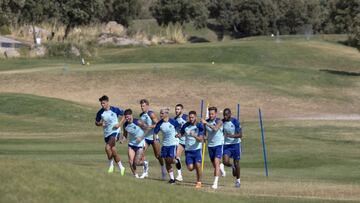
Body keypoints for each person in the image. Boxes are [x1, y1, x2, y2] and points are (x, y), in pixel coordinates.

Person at [95, 95, 125, 175]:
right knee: (113, 151)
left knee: (107, 148)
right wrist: (101, 123)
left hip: (115, 132)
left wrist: (119, 124)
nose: (102, 105)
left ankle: (111, 166)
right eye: (101, 104)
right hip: (107, 134)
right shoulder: (100, 112)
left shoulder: (115, 109)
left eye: (104, 103)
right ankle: (121, 167)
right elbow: (96, 122)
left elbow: (125, 115)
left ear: (108, 102)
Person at [139, 99, 166, 179]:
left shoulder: (151, 113)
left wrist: (149, 126)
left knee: (158, 155)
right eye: (141, 106)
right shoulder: (141, 115)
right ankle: (145, 172)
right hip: (146, 138)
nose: (142, 107)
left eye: (143, 106)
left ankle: (163, 169)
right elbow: (142, 126)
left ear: (147, 105)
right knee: (141, 153)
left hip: (154, 137)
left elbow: (158, 124)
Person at [154, 107, 182, 184]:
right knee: (166, 161)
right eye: (160, 113)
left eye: (162, 113)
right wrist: (156, 139)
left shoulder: (173, 122)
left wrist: (179, 135)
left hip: (173, 144)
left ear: (167, 114)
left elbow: (180, 129)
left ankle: (176, 161)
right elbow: (155, 133)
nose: (161, 115)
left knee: (170, 159)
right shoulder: (159, 123)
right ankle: (172, 179)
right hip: (165, 144)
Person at [201, 106, 225, 189]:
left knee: (216, 162)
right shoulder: (206, 122)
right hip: (210, 145)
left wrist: (206, 123)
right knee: (215, 165)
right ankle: (221, 167)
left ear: (216, 114)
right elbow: (205, 133)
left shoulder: (219, 121)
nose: (211, 115)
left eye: (212, 114)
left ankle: (215, 183)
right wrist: (204, 137)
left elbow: (215, 129)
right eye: (210, 114)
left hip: (219, 144)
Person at [180, 111, 204, 188]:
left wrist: (194, 135)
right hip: (188, 150)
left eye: (192, 117)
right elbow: (181, 133)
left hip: (197, 149)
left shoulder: (199, 126)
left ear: (195, 117)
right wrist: (178, 135)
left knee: (198, 165)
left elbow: (200, 139)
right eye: (189, 117)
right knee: (190, 168)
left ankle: (199, 182)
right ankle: (195, 167)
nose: (191, 119)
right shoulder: (185, 125)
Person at [123, 109, 149, 178]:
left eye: (128, 116)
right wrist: (122, 139)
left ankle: (145, 163)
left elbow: (147, 129)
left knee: (136, 162)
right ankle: (136, 176)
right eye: (126, 117)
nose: (127, 118)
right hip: (131, 145)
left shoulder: (138, 122)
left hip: (140, 144)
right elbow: (125, 135)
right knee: (131, 162)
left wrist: (141, 137)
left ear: (131, 115)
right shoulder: (125, 125)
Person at [222, 108, 242, 188]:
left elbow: (240, 135)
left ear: (230, 114)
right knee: (225, 161)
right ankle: (232, 166)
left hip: (236, 144)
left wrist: (230, 136)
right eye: (224, 115)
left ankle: (238, 181)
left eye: (226, 115)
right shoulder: (222, 122)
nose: (225, 116)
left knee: (237, 163)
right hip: (226, 145)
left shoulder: (235, 122)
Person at [173, 104, 188, 181]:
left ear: (182, 110)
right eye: (176, 109)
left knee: (190, 163)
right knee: (176, 156)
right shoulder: (175, 119)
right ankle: (179, 175)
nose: (176, 111)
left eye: (178, 109)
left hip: (189, 142)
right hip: (181, 141)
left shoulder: (186, 117)